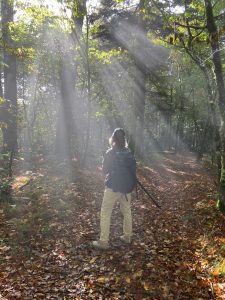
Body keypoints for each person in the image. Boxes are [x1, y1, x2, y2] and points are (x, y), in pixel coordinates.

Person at [92, 128, 136, 250]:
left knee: (105, 212)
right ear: (124, 139)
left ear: (113, 139)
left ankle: (103, 241)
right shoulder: (129, 152)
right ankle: (127, 236)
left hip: (113, 187)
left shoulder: (110, 153)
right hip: (126, 188)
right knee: (127, 211)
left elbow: (105, 170)